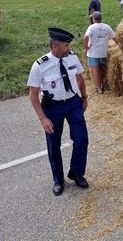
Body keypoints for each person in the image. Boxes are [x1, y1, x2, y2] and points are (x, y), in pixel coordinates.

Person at [27, 27, 89, 196]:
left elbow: (79, 77)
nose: (68, 48)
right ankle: (58, 179)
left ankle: (76, 172)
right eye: (65, 46)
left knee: (82, 139)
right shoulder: (40, 65)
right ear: (54, 46)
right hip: (52, 106)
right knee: (54, 144)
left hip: (73, 103)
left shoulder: (72, 57)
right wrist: (42, 118)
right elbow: (33, 94)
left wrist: (84, 97)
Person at [83, 12, 116, 94]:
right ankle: (102, 85)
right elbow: (114, 38)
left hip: (93, 53)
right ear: (101, 19)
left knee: (95, 70)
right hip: (103, 52)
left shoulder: (91, 27)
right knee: (101, 69)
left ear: (93, 19)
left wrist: (86, 47)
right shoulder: (107, 26)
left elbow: (85, 37)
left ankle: (99, 88)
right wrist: (119, 47)